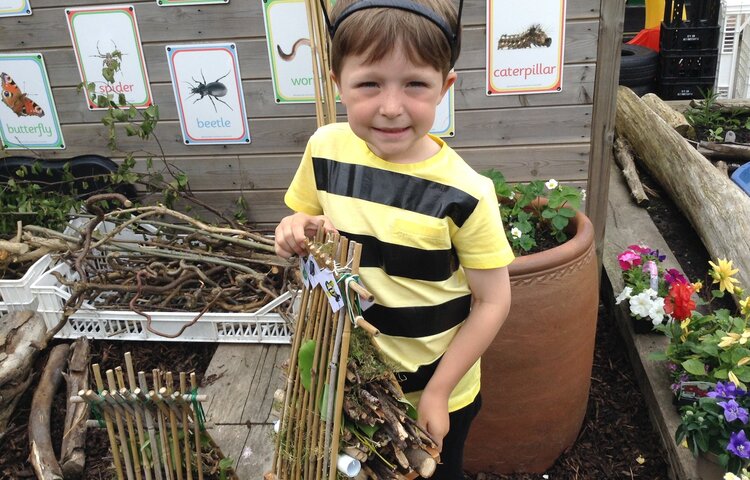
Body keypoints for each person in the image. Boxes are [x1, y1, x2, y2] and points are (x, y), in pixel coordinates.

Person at [274, 0, 514, 477]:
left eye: (415, 84)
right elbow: (303, 214)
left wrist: (440, 392)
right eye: (368, 83)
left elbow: (494, 301)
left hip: (435, 388)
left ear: (444, 86)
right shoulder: (325, 149)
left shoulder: (467, 194)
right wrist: (293, 229)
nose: (390, 106)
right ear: (336, 81)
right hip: (345, 377)